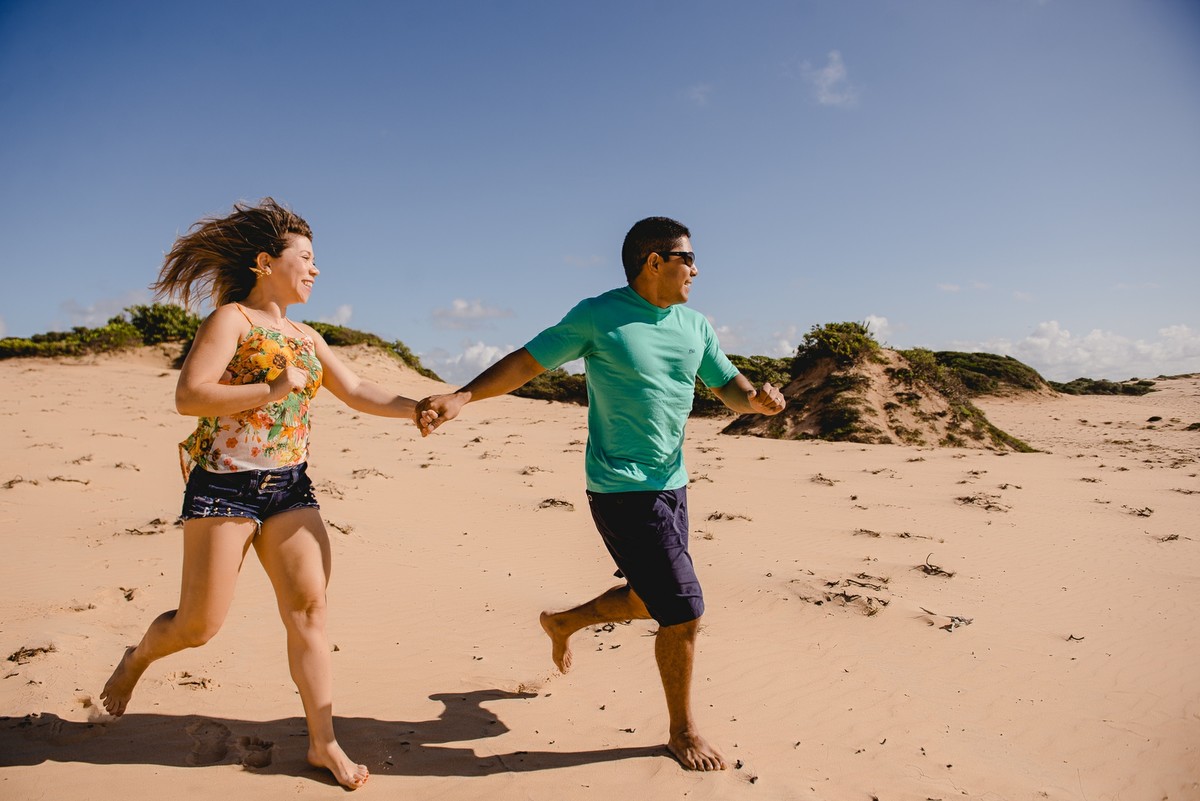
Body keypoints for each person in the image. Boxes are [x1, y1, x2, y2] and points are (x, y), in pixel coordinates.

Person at [416, 216, 786, 771]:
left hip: (673, 485)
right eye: (688, 258)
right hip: (620, 489)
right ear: (654, 261)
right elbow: (526, 360)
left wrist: (754, 400)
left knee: (648, 598)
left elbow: (727, 384)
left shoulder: (695, 325)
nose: (697, 268)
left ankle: (562, 623)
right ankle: (682, 731)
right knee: (683, 610)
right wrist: (464, 395)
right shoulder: (598, 316)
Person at [100, 198, 432, 790]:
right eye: (304, 258)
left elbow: (356, 389)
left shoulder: (307, 336)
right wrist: (271, 387)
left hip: (289, 489)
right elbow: (191, 396)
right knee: (198, 626)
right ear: (264, 262)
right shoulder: (230, 320)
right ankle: (137, 660)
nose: (315, 269)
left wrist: (418, 409)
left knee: (310, 610)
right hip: (224, 487)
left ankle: (323, 744)